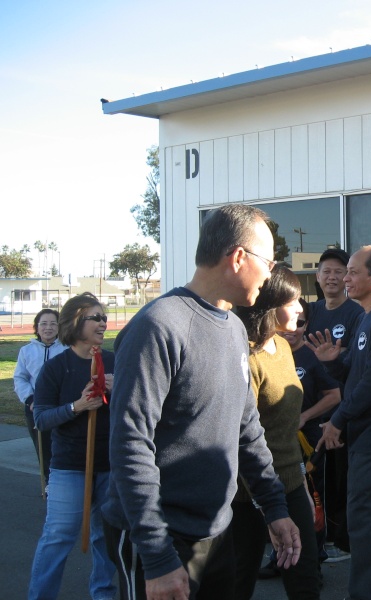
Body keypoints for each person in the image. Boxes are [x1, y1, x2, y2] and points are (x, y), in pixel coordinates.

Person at [102, 204, 300, 600]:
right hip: (161, 540)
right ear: (239, 257)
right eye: (269, 260)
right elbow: (130, 444)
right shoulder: (159, 327)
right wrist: (157, 557)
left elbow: (247, 429)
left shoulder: (232, 330)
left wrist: (274, 507)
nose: (272, 272)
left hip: (216, 531)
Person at [308, 245, 371, 600]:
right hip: (370, 438)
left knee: (370, 530)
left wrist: (336, 420)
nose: (344, 279)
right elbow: (357, 371)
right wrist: (333, 362)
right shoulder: (369, 315)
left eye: (352, 272)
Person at [233, 266, 321, 599]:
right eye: (293, 300)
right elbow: (241, 435)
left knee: (304, 576)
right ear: (271, 305)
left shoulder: (283, 347)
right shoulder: (245, 356)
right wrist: (265, 506)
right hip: (248, 493)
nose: (301, 308)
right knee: (239, 578)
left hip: (292, 480)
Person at [28, 293, 116, 600]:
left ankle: (103, 595)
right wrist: (76, 406)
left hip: (110, 465)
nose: (103, 323)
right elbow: (41, 419)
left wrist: (118, 390)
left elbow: (138, 409)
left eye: (104, 317)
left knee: (106, 538)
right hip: (69, 467)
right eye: (96, 318)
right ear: (76, 322)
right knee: (58, 536)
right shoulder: (56, 369)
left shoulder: (115, 361)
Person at [306, 247, 364, 562]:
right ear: (317, 276)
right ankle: (320, 536)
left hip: (342, 412)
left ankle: (340, 539)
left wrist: (335, 356)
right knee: (316, 479)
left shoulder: (356, 313)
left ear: (347, 277)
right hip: (310, 413)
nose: (332, 277)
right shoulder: (311, 312)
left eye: (339, 271)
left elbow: (357, 361)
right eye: (326, 271)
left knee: (341, 480)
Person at [274, 297, 341, 569]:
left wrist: (305, 415)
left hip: (308, 441)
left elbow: (335, 395)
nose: (293, 329)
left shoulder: (312, 357)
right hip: (276, 442)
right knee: (277, 498)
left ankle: (314, 556)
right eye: (287, 322)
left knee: (310, 499)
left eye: (300, 324)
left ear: (307, 325)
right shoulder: (270, 353)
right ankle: (279, 557)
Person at [14, 308, 66, 490]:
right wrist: (30, 399)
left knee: (61, 444)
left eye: (53, 324)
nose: (48, 328)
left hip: (61, 406)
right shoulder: (26, 351)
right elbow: (20, 377)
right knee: (42, 446)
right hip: (36, 407)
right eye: (43, 324)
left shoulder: (66, 349)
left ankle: (63, 480)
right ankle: (48, 482)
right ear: (37, 327)